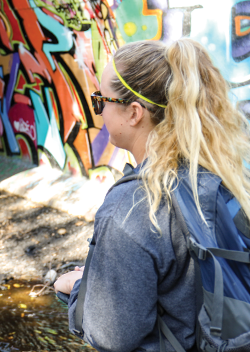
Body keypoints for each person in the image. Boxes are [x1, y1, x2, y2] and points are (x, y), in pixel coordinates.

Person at [54, 39, 250, 351]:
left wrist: (78, 288)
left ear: (133, 113)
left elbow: (112, 335)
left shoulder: (130, 209)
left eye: (100, 100)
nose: (99, 110)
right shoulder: (218, 174)